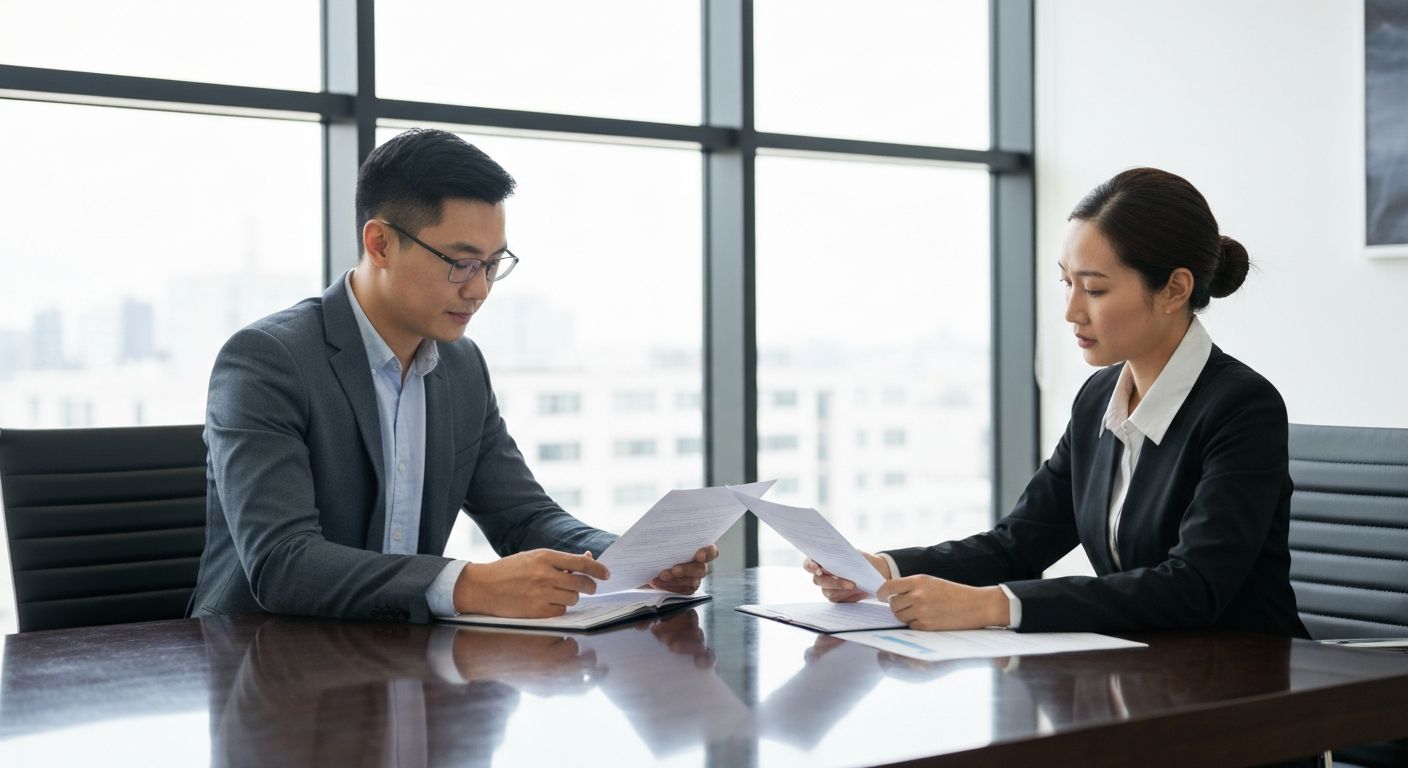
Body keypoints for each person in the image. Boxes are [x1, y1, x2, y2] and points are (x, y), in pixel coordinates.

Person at [190, 128, 713, 623]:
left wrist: (628, 560)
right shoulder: (269, 360)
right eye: (461, 263)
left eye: (492, 264)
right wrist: (470, 585)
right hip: (261, 657)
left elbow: (523, 517)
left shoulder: (461, 366)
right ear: (380, 244)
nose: (479, 289)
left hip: (400, 653)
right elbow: (283, 563)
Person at [807, 167, 1308, 637]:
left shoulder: (1242, 407)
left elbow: (1193, 588)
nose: (1071, 311)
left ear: (1175, 289)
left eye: (1094, 289)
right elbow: (1019, 543)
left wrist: (993, 605)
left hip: (1248, 676)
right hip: (1144, 668)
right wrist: (884, 569)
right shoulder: (1098, 399)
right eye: (1068, 283)